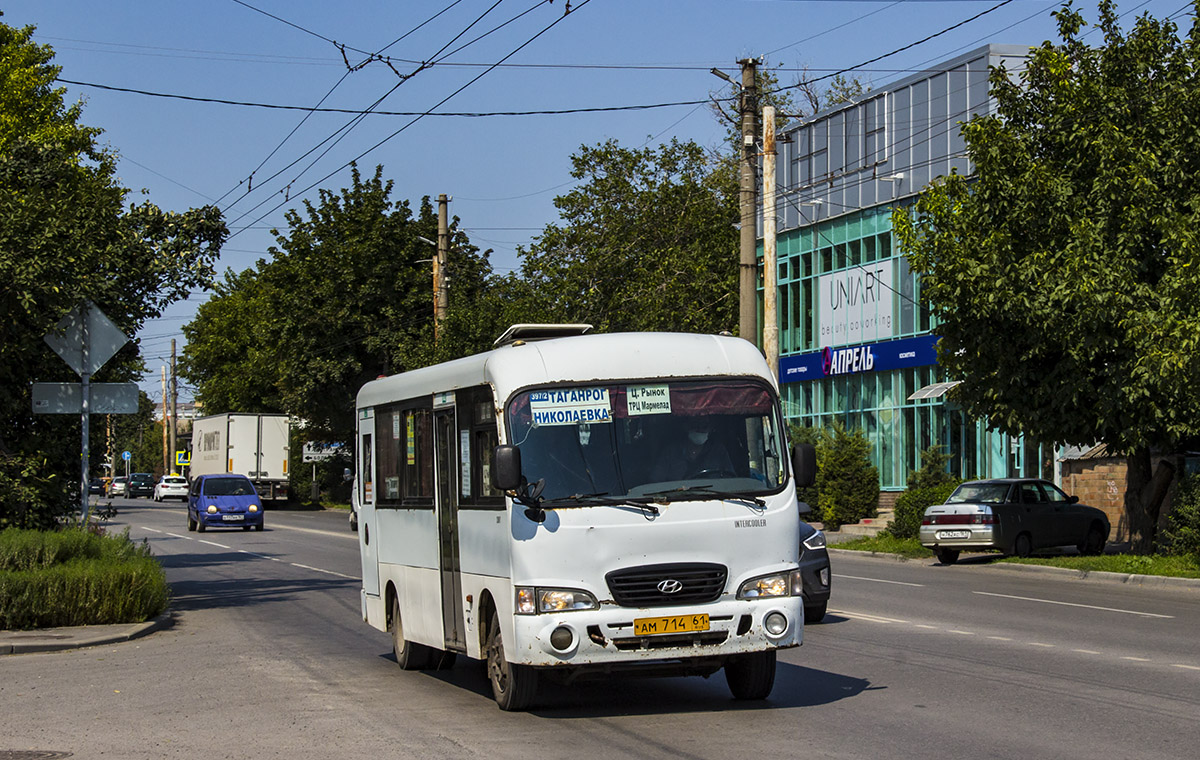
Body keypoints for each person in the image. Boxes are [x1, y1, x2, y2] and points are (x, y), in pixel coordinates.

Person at [651, 416, 735, 482]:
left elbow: (731, 480)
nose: (700, 429)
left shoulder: (718, 451)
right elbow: (656, 482)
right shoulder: (670, 452)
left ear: (710, 428)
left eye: (704, 426)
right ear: (686, 426)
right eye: (695, 425)